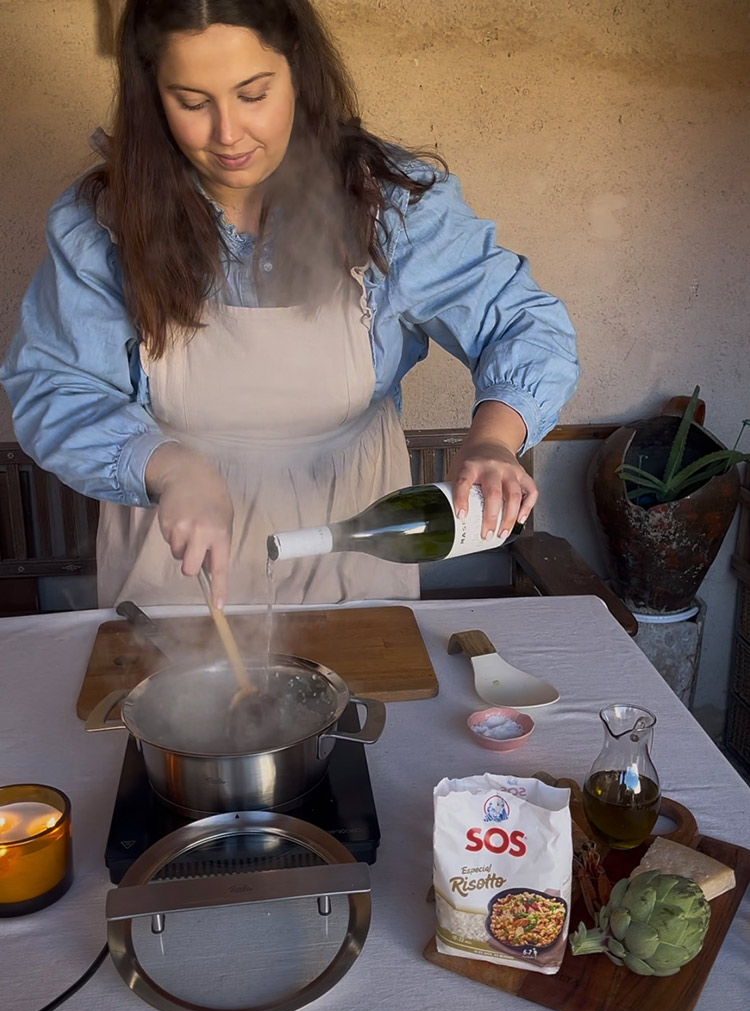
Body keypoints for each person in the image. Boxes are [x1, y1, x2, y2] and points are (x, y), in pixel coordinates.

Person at [1, 0, 580, 610]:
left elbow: (520, 320)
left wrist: (493, 438)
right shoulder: (103, 225)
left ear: (298, 71)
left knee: (358, 700)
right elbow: (54, 386)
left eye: (253, 94)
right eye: (192, 103)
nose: (228, 134)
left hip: (355, 542)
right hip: (174, 551)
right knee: (172, 701)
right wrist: (168, 467)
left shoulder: (387, 203)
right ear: (152, 96)